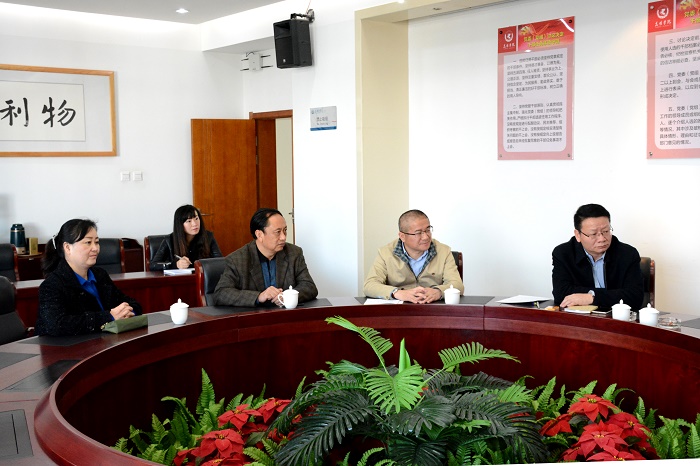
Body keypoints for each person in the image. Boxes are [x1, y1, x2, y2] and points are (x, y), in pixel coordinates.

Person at [36, 219, 142, 336]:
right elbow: (57, 325)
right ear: (67, 248)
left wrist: (128, 311)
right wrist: (109, 316)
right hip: (70, 346)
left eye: (96, 242)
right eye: (88, 242)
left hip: (104, 341)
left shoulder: (100, 275)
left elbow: (130, 303)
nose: (95, 248)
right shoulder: (52, 285)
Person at [213, 208, 318, 307]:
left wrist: (288, 296)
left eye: (285, 230)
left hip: (285, 315)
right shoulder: (237, 260)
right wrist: (259, 296)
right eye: (278, 232)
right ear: (259, 235)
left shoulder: (294, 253)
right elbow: (221, 293)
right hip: (254, 317)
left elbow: (309, 286)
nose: (283, 237)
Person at [552, 204, 644, 310]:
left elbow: (635, 297)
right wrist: (610, 295)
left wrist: (592, 297)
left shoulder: (627, 254)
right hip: (580, 317)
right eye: (593, 234)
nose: (602, 239)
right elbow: (560, 294)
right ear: (578, 235)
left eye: (606, 231)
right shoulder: (563, 254)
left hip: (616, 316)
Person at [363, 209, 464, 304]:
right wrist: (397, 293)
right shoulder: (386, 253)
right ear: (402, 236)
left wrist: (438, 291)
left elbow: (457, 284)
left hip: (432, 308)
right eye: (418, 233)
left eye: (428, 230)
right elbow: (369, 285)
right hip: (400, 310)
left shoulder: (443, 251)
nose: (426, 237)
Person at [150, 204, 222, 270]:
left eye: (196, 218)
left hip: (202, 278)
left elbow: (220, 262)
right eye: (189, 221)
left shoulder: (208, 237)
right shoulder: (169, 240)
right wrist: (175, 264)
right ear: (180, 224)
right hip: (180, 278)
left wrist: (205, 266)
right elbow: (153, 265)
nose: (195, 224)